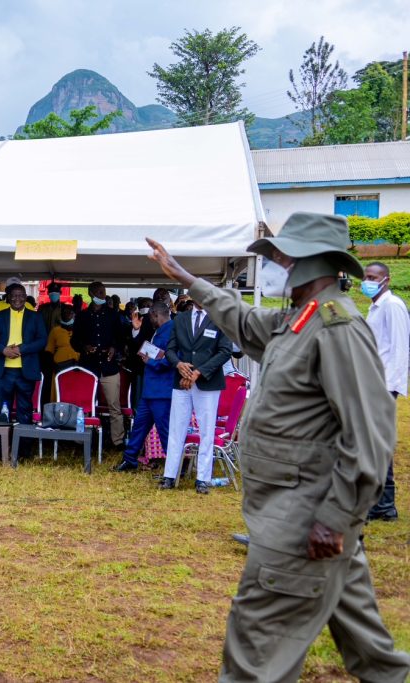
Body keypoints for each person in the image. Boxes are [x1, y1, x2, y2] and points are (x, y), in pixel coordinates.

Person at [147, 212, 410, 682]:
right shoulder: (299, 318)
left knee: (254, 657)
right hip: (299, 514)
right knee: (376, 659)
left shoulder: (337, 328)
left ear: (310, 263)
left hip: (304, 522)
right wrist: (189, 280)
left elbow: (370, 433)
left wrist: (334, 518)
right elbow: (244, 321)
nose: (275, 264)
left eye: (283, 256)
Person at [159, 298, 233, 491]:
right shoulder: (180, 319)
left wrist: (198, 372)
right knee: (176, 428)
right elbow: (170, 350)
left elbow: (225, 351)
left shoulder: (219, 318)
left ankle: (202, 478)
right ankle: (169, 475)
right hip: (181, 380)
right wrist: (178, 364)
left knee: (206, 430)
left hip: (207, 382)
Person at [363, 261, 409, 522]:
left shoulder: (393, 306)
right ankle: (381, 502)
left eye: (373, 277)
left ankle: (384, 504)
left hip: (384, 386)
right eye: (366, 276)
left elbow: (400, 351)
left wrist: (389, 389)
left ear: (386, 279)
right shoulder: (375, 307)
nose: (368, 280)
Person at [113, 302, 174, 472]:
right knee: (139, 426)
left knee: (165, 430)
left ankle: (175, 466)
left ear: (155, 314)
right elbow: (140, 345)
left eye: (150, 317)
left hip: (162, 390)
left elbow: (173, 359)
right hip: (150, 390)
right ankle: (130, 459)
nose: (148, 320)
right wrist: (136, 329)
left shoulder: (172, 330)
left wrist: (152, 362)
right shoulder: (157, 330)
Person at [71, 281, 127, 448]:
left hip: (109, 366)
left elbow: (121, 338)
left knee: (114, 406)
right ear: (90, 293)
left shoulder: (113, 315)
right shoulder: (82, 316)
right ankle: (81, 439)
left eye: (103, 292)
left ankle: (117, 441)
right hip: (88, 366)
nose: (102, 295)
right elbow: (74, 341)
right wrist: (84, 347)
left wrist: (113, 348)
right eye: (98, 292)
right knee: (84, 404)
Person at [0, 283, 46, 425]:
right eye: (13, 296)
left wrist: (22, 349)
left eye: (20, 295)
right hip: (3, 371)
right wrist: (3, 350)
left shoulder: (35, 317)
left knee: (24, 410)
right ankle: (4, 446)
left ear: (26, 297)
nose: (17, 299)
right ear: (8, 297)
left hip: (25, 371)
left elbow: (42, 340)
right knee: (3, 409)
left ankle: (22, 446)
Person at [44, 303, 80, 399]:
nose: (68, 314)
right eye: (65, 312)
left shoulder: (79, 330)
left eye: (71, 312)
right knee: (59, 392)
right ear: (61, 314)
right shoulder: (55, 330)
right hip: (59, 366)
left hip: (76, 366)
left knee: (74, 391)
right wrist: (53, 365)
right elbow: (48, 351)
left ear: (74, 314)